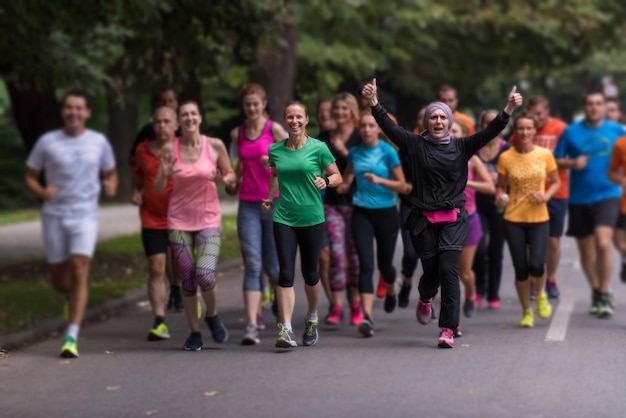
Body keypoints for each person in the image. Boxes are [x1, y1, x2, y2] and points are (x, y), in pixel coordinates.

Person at [361, 78, 522, 348]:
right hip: (424, 219)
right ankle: (425, 299)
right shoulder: (414, 145)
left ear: (449, 121)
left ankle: (447, 328)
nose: (438, 122)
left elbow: (490, 131)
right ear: (427, 122)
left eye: (442, 117)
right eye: (433, 117)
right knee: (432, 274)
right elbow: (390, 127)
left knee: (449, 271)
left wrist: (508, 108)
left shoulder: (462, 147)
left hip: (454, 219)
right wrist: (374, 103)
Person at [25, 90, 118, 358]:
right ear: (63, 111)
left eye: (79, 108)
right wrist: (42, 193)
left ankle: (71, 336)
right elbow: (30, 176)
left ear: (87, 112)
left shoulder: (99, 142)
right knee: (59, 280)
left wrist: (111, 184)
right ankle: (68, 295)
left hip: (85, 213)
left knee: (80, 268)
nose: (73, 112)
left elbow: (110, 171)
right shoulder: (47, 142)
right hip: (54, 213)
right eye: (69, 108)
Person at [155, 101, 236, 350]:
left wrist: (224, 179)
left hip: (208, 218)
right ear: (179, 122)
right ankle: (194, 332)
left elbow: (231, 175)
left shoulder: (214, 145)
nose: (190, 118)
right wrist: (164, 175)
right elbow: (158, 189)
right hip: (179, 220)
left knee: (205, 273)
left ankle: (211, 314)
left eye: (193, 113)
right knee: (187, 277)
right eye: (185, 115)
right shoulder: (170, 148)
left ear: (200, 118)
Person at [263, 101, 341, 348]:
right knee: (285, 273)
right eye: (290, 117)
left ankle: (312, 317)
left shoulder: (319, 148)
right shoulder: (276, 150)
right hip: (283, 217)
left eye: (299, 117)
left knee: (310, 274)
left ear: (307, 120)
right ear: (285, 121)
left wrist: (326, 182)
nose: (294, 121)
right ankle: (285, 329)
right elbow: (276, 174)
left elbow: (337, 176)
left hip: (312, 219)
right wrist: (269, 196)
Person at [337, 110, 410, 337]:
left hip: (387, 214)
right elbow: (349, 174)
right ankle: (367, 317)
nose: (367, 130)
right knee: (365, 264)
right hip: (361, 213)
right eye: (363, 126)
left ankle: (390, 287)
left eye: (371, 126)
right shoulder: (355, 153)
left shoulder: (388, 153)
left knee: (385, 265)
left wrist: (379, 180)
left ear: (378, 129)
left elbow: (404, 187)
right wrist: (344, 185)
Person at [554, 91, 626, 317]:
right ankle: (596, 290)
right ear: (584, 107)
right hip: (579, 197)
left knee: (604, 243)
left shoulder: (617, 131)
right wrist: (572, 163)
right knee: (586, 249)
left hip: (609, 193)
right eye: (590, 104)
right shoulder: (571, 132)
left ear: (604, 106)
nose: (594, 107)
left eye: (598, 104)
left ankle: (604, 292)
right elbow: (554, 160)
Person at [228, 83, 285, 345]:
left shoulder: (273, 129)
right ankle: (252, 324)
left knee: (273, 269)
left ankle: (278, 305)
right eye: (247, 104)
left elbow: (295, 157)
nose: (252, 108)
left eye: (256, 103)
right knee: (253, 264)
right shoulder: (236, 133)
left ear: (263, 104)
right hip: (248, 205)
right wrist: (230, 181)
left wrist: (274, 162)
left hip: (272, 204)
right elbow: (239, 168)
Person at [496, 112, 560, 327]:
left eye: (528, 128)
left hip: (539, 217)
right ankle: (526, 311)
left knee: (537, 265)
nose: (524, 132)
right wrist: (499, 198)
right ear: (515, 131)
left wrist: (546, 195)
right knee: (521, 268)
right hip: (513, 217)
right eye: (520, 128)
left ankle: (540, 293)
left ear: (534, 131)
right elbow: (500, 187)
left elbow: (556, 182)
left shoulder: (545, 155)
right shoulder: (506, 157)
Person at [130, 87, 183, 311]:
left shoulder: (187, 142)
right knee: (157, 264)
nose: (162, 125)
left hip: (181, 214)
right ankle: (159, 320)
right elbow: (138, 170)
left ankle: (181, 290)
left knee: (180, 261)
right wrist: (136, 190)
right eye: (158, 121)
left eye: (171, 101)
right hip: (152, 215)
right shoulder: (144, 145)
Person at [510, 96, 568, 299]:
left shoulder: (560, 128)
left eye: (540, 114)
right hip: (527, 195)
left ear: (547, 111)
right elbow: (512, 156)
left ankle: (550, 278)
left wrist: (559, 163)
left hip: (555, 192)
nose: (536, 118)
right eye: (532, 113)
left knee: (553, 241)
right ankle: (535, 280)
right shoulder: (522, 130)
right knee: (529, 243)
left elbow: (569, 157)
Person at [317, 93, 363, 325]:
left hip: (357, 203)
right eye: (337, 108)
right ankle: (336, 305)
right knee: (335, 254)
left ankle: (355, 303)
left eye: (345, 108)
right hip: (332, 204)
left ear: (352, 111)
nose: (340, 112)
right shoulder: (323, 138)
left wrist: (344, 151)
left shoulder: (359, 135)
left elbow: (366, 165)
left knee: (354, 257)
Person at [449, 120, 494, 320]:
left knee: (464, 271)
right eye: (448, 130)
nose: (450, 134)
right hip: (445, 219)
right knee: (446, 269)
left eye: (455, 130)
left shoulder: (473, 160)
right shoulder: (434, 156)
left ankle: (470, 294)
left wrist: (468, 182)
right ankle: (449, 314)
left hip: (469, 218)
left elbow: (490, 187)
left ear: (464, 134)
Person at [473, 110, 511, 309]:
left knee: (496, 250)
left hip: (500, 206)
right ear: (481, 125)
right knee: (479, 249)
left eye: (495, 123)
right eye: (488, 123)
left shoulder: (508, 150)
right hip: (477, 205)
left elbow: (517, 178)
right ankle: (479, 288)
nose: (492, 127)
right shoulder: (474, 148)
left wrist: (504, 187)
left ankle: (493, 292)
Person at [314, 99, 336, 314]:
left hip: (343, 206)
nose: (324, 115)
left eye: (328, 111)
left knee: (342, 258)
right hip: (319, 206)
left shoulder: (345, 141)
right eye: (320, 112)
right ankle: (334, 304)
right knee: (324, 256)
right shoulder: (313, 143)